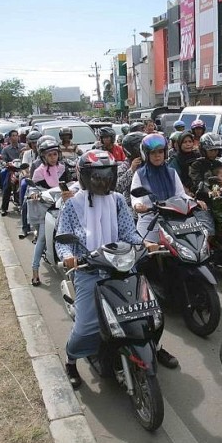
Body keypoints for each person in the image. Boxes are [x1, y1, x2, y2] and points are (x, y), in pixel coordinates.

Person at [55, 150, 151, 388]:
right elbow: (61, 238)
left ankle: (152, 347)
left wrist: (143, 243)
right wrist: (68, 257)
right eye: (97, 176)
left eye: (106, 175)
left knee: (144, 310)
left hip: (119, 266)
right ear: (85, 177)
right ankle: (71, 360)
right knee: (87, 324)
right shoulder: (72, 205)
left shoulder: (118, 200)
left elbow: (129, 231)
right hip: (89, 270)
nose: (102, 181)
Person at [131, 133, 207, 241]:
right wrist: (137, 205)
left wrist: (195, 201)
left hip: (173, 221)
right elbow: (135, 196)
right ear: (146, 154)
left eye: (160, 152)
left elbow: (180, 194)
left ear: (165, 153)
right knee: (148, 255)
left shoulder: (172, 172)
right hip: (150, 222)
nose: (157, 155)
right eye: (153, 152)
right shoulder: (140, 174)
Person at [29, 138, 69, 285]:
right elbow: (32, 187)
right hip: (45, 208)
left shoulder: (63, 168)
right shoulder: (39, 172)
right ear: (43, 157)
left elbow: (70, 185)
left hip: (62, 206)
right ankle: (34, 270)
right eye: (50, 155)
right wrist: (33, 193)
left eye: (55, 154)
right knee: (42, 239)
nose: (53, 158)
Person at [115, 131, 146, 217]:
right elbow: (117, 187)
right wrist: (131, 170)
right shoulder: (124, 166)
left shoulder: (149, 162)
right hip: (131, 206)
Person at [0, 129, 26, 215]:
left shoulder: (24, 147)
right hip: (12, 170)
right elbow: (3, 160)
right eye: (13, 136)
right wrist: (6, 163)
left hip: (23, 170)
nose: (15, 137)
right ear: (9, 138)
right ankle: (4, 208)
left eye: (16, 135)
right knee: (7, 186)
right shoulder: (6, 149)